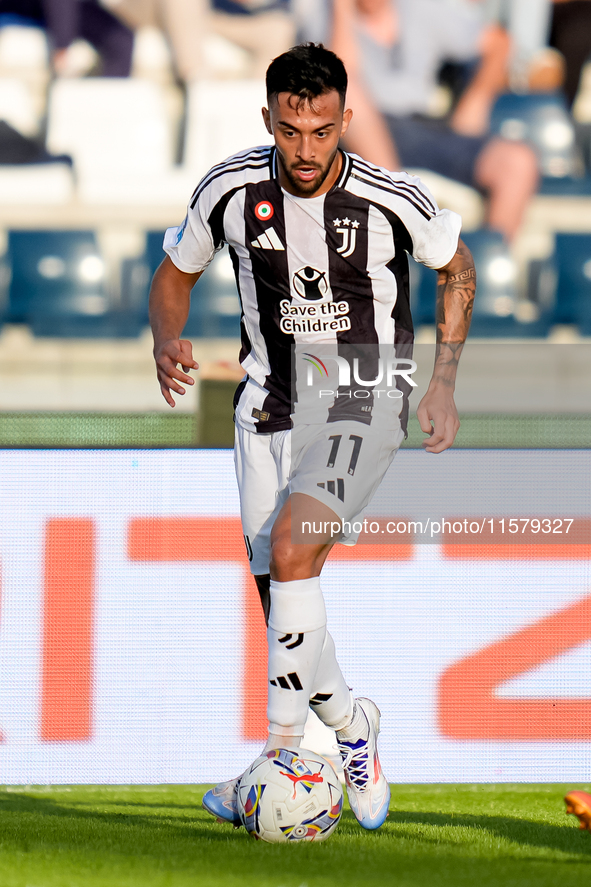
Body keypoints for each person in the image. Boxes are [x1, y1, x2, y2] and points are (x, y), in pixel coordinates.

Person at [149, 42, 476, 831]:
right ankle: (352, 726)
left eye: (321, 131)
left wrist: (440, 380)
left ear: (344, 122)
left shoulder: (390, 196)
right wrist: (164, 338)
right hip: (267, 405)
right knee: (282, 600)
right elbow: (174, 275)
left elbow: (456, 267)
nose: (305, 148)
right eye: (291, 129)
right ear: (269, 118)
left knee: (294, 550)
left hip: (365, 394)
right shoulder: (230, 189)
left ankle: (277, 760)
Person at [331, 0, 539, 241]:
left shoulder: (421, 8)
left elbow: (499, 41)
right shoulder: (323, 12)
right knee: (345, 94)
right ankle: (400, 208)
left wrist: (477, 98)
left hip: (425, 127)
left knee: (518, 162)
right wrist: (342, 10)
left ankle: (484, 267)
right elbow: (340, 76)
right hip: (361, 135)